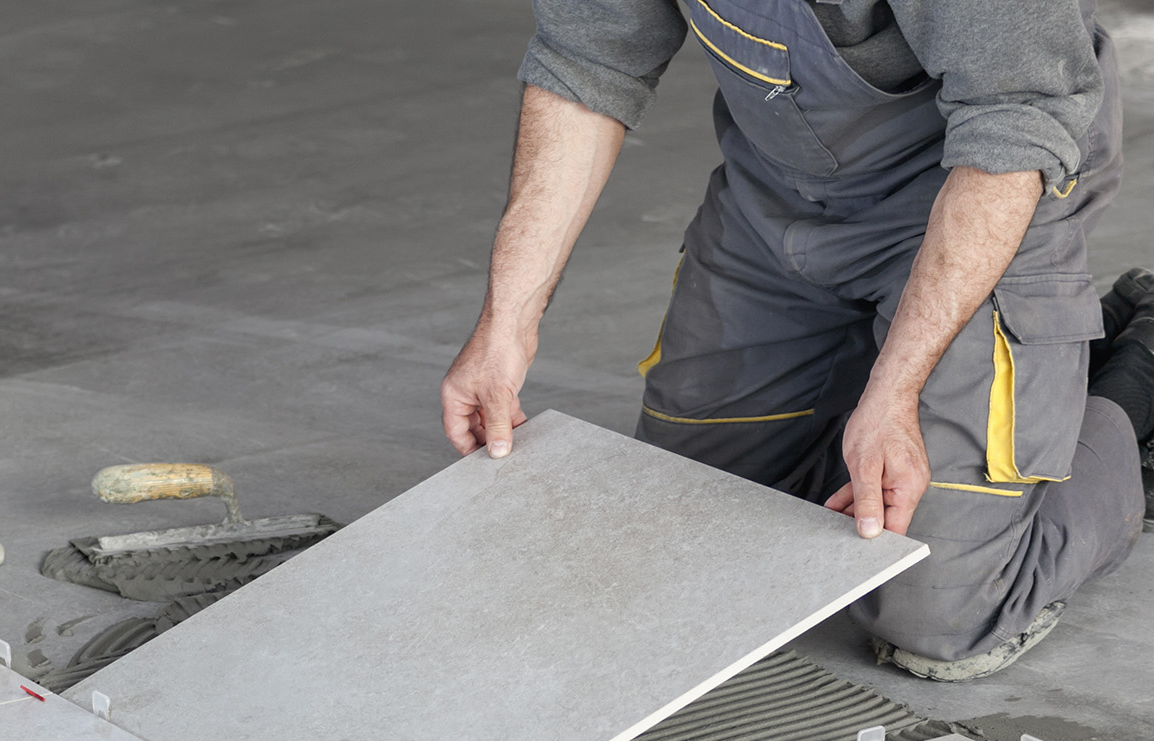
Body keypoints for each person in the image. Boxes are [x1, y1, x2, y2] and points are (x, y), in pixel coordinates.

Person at [440, 0, 1154, 680]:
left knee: (937, 607)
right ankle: (999, 394)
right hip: (779, 201)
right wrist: (505, 324)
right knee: (688, 527)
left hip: (981, 193)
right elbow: (586, 60)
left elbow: (1015, 123)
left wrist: (896, 391)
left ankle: (1135, 374)